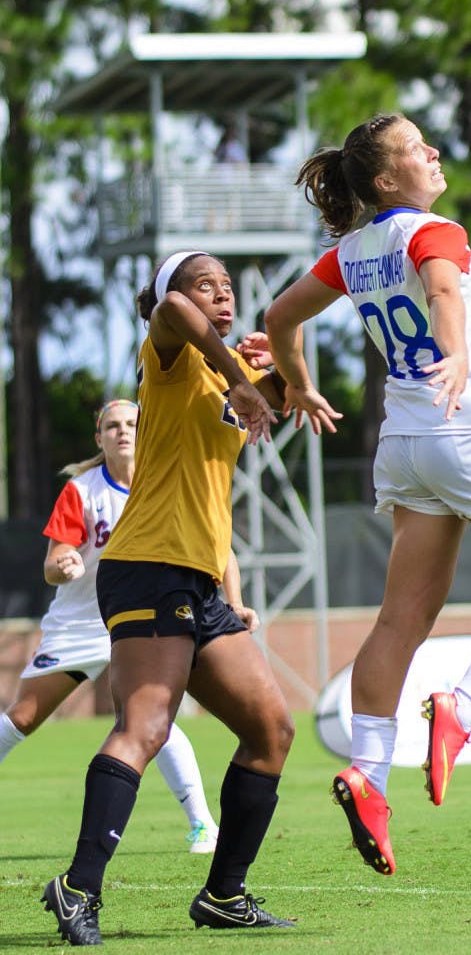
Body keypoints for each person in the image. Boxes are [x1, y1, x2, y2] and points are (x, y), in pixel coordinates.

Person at [264, 113, 471, 876]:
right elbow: (442, 290)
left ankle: (368, 774)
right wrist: (456, 354)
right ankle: (461, 710)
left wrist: (297, 386)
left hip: (405, 444)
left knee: (399, 618)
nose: (431, 151)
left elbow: (278, 317)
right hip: (470, 427)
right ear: (385, 179)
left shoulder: (349, 252)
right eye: (414, 147)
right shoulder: (433, 230)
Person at [42, 252, 295, 945]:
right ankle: (77, 888)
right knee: (147, 725)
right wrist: (239, 373)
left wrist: (279, 355)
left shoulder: (225, 371)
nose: (221, 295)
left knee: (271, 732)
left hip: (198, 579)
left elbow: (283, 396)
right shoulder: (173, 357)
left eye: (228, 287)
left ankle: (224, 895)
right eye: (205, 285)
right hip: (148, 565)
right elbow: (173, 312)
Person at [0, 398, 219, 854]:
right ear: (99, 438)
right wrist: (64, 565)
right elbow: (52, 564)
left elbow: (216, 544)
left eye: (132, 424)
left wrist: (231, 600)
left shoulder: (168, 481)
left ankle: (203, 824)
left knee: (152, 716)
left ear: (147, 431)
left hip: (134, 619)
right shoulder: (82, 491)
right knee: (23, 717)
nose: (123, 432)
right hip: (79, 623)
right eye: (113, 426)